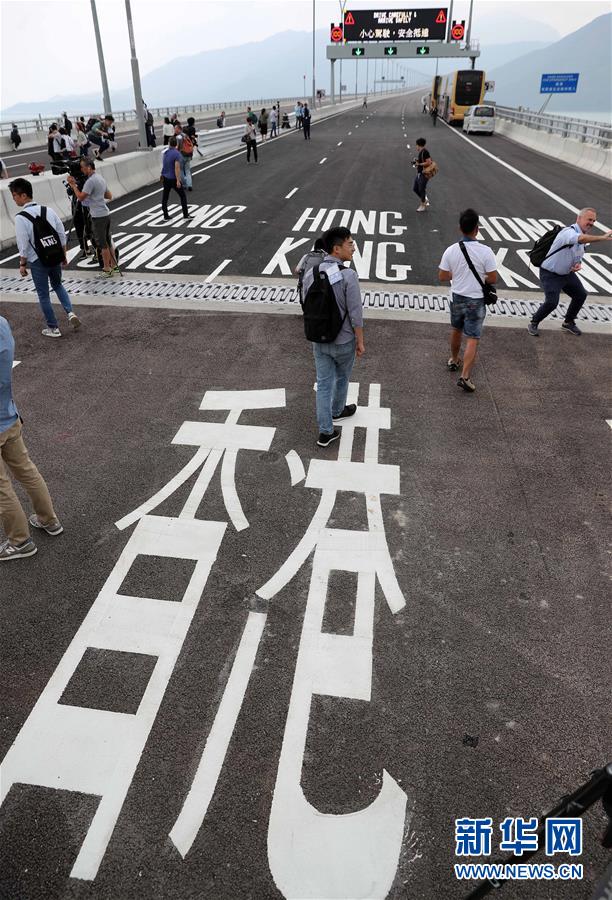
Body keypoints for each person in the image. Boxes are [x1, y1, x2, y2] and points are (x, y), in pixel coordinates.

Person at [0, 316, 64, 561]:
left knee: (2, 488)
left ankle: (20, 541)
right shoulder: (2, 323)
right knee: (26, 470)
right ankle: (49, 519)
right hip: (9, 414)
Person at [302, 226, 365, 447]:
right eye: (350, 244)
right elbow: (356, 313)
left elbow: (305, 302)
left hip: (319, 339)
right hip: (344, 340)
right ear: (337, 249)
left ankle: (326, 432)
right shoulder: (349, 275)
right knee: (342, 377)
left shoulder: (311, 273)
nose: (353, 248)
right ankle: (338, 410)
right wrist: (360, 340)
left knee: (323, 385)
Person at [10, 178, 81, 338]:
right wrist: (63, 255)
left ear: (23, 195)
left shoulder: (20, 218)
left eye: (14, 195)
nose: (14, 199)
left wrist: (22, 264)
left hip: (38, 261)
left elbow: (23, 244)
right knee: (58, 285)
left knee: (43, 295)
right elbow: (61, 234)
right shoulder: (48, 210)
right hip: (55, 255)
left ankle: (53, 328)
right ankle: (70, 313)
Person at [438, 208, 497, 393]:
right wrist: (480, 277)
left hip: (457, 297)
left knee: (456, 329)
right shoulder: (486, 251)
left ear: (460, 228)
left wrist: (457, 274)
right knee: (472, 337)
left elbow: (442, 276)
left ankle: (454, 359)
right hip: (476, 300)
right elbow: (493, 278)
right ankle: (465, 377)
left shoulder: (451, 250)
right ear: (477, 229)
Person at [528, 208, 612, 337]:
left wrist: (577, 264)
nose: (591, 223)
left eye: (594, 221)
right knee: (552, 302)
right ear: (579, 218)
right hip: (551, 274)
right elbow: (581, 239)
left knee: (580, 295)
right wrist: (602, 237)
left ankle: (568, 322)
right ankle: (534, 322)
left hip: (566, 274)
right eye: (589, 219)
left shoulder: (581, 235)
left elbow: (577, 252)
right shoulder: (568, 232)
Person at [67, 158, 117, 277]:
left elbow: (80, 197)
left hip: (98, 216)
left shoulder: (90, 182)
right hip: (105, 213)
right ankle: (114, 267)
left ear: (89, 167)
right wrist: (96, 195)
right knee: (108, 242)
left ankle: (107, 269)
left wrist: (73, 185)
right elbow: (109, 195)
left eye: (82, 167)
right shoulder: (100, 178)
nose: (81, 169)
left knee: (103, 244)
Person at [160, 136, 192, 220]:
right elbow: (177, 168)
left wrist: (162, 174)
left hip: (165, 177)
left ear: (169, 143)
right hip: (173, 178)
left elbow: (164, 164)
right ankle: (185, 215)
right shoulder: (177, 154)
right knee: (182, 196)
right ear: (176, 144)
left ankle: (166, 215)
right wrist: (178, 180)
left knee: (165, 197)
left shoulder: (165, 152)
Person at [173, 122, 193, 191]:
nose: (174, 130)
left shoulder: (178, 137)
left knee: (181, 170)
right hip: (188, 154)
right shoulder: (186, 135)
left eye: (175, 129)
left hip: (182, 155)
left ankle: (184, 185)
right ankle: (190, 185)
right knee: (187, 170)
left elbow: (178, 148)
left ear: (179, 129)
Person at [413, 137, 431, 213]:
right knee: (415, 188)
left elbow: (429, 162)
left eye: (416, 145)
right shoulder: (421, 152)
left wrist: (419, 164)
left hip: (424, 174)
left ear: (419, 145)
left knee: (421, 189)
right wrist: (417, 161)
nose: (416, 147)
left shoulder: (425, 152)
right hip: (420, 173)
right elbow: (423, 161)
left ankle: (422, 205)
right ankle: (424, 199)